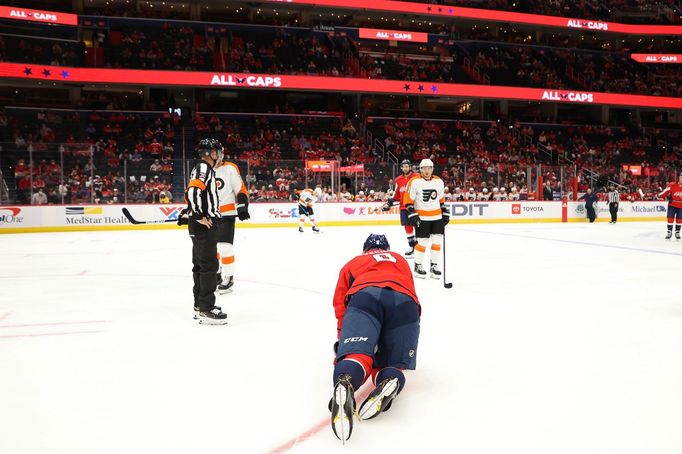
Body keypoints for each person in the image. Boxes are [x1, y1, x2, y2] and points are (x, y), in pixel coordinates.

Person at [330, 234, 421, 443]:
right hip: (406, 306)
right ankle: (390, 379)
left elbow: (340, 306)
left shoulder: (354, 263)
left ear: (365, 249)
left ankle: (346, 381)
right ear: (387, 248)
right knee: (391, 363)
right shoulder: (400, 260)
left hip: (366, 297)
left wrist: (344, 343)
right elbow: (411, 293)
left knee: (358, 356)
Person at [179, 138, 226, 324]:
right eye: (217, 152)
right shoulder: (204, 168)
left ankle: (200, 305)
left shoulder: (200, 169)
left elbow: (194, 192)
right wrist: (197, 214)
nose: (219, 156)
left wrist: (189, 212)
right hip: (204, 224)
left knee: (199, 265)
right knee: (209, 266)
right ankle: (207, 309)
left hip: (199, 223)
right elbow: (192, 191)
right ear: (211, 153)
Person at [214, 144, 250, 294]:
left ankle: (228, 277)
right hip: (208, 216)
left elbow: (240, 188)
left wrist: (242, 204)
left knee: (224, 247)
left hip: (226, 215)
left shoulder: (230, 168)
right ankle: (214, 276)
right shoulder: (202, 170)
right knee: (211, 249)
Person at [404, 159, 448, 279]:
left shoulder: (438, 181)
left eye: (428, 168)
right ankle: (418, 265)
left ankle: (434, 265)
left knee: (436, 241)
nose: (426, 170)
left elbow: (441, 200)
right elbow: (408, 201)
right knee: (422, 241)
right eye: (424, 168)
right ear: (420, 169)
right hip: (422, 217)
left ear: (432, 168)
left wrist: (445, 212)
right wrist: (412, 214)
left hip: (437, 217)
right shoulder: (414, 181)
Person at [382, 159, 419, 257]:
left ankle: (418, 246)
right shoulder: (398, 179)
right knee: (407, 227)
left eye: (407, 166)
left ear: (410, 167)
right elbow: (396, 194)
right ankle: (411, 246)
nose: (406, 168)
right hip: (403, 207)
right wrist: (390, 202)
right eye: (404, 166)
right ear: (401, 168)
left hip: (415, 206)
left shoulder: (417, 177)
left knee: (417, 225)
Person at [658, 173, 682, 239]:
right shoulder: (672, 185)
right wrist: (659, 195)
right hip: (672, 205)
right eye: (681, 177)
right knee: (670, 218)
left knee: (679, 220)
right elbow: (665, 192)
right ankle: (669, 232)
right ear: (679, 178)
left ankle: (677, 232)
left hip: (681, 207)